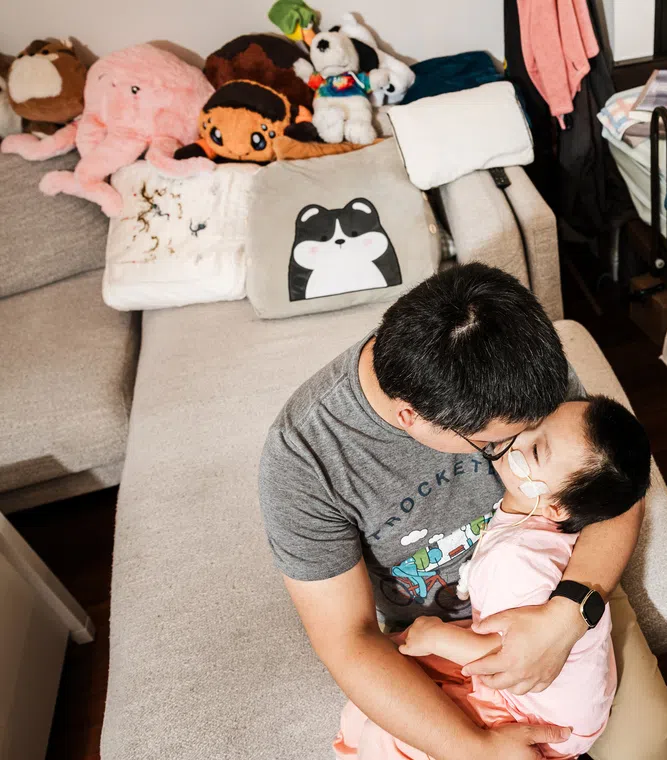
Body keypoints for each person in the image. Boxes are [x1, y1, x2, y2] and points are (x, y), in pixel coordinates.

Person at [258, 264, 644, 760]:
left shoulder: (517, 362)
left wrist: (569, 614)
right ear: (411, 418)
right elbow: (346, 639)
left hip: (571, 581)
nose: (517, 445)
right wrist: (477, 749)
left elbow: (615, 487)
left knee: (650, 746)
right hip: (442, 637)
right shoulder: (304, 457)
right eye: (496, 443)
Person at [334, 396, 652, 759]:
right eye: (536, 421)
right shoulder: (548, 522)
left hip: (537, 715)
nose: (519, 436)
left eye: (535, 451)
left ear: (555, 506)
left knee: (385, 738)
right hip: (555, 685)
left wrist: (436, 636)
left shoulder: (516, 562)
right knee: (380, 691)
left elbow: (507, 656)